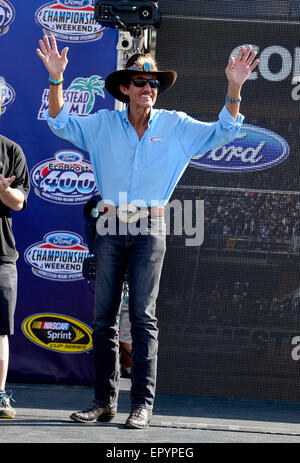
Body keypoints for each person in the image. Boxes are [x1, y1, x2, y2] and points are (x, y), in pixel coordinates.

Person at [36, 34, 258, 428]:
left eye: (154, 83)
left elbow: (225, 131)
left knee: (142, 318)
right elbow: (59, 122)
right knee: (103, 319)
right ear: (125, 88)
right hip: (108, 223)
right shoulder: (103, 123)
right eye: (140, 82)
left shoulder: (177, 126)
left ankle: (142, 404)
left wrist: (234, 85)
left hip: (150, 225)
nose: (148, 88)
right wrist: (56, 80)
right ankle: (104, 403)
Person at [0, 82, 30, 419]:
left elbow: (19, 202)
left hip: (1, 255)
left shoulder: (11, 152)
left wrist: (2, 191)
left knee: (0, 330)